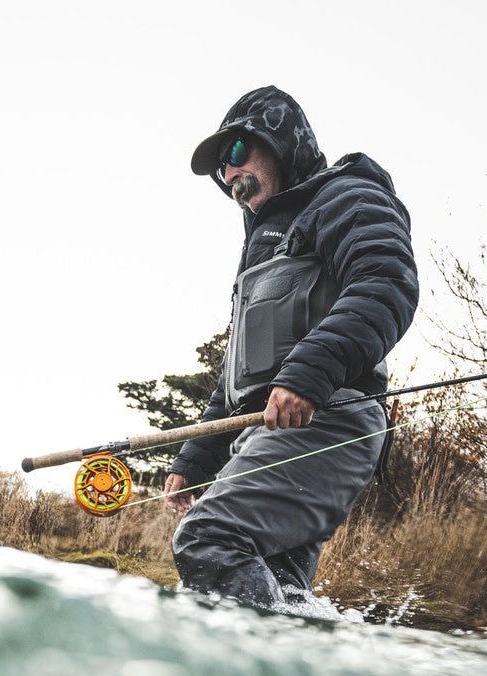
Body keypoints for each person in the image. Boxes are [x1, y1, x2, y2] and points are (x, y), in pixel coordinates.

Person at [165, 85, 419, 610]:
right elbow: (239, 371)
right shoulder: (261, 245)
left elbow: (386, 284)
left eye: (237, 151)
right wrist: (194, 460)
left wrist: (308, 374)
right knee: (283, 592)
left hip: (326, 423)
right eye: (221, 167)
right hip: (263, 435)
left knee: (208, 539)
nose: (229, 173)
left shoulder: (347, 196)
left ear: (280, 143)